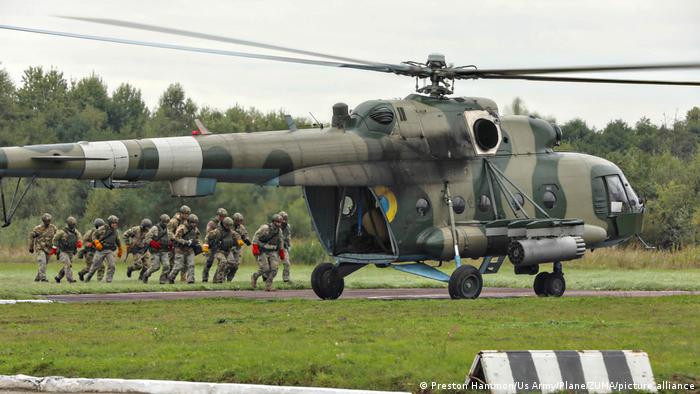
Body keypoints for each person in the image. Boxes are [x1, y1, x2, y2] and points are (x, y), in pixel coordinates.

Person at [84, 215, 123, 283]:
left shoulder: (115, 231)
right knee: (94, 266)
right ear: (110, 223)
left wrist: (120, 249)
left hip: (110, 251)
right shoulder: (103, 228)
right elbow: (94, 235)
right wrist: (96, 242)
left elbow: (118, 240)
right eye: (113, 223)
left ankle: (108, 280)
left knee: (112, 265)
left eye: (115, 223)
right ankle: (87, 279)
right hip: (100, 250)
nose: (114, 224)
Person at [251, 214, 284, 291]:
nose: (279, 224)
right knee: (264, 269)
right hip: (262, 250)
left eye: (280, 222)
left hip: (273, 251)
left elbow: (280, 241)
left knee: (274, 269)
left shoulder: (279, 231)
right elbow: (256, 237)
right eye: (277, 222)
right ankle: (254, 277)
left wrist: (281, 251)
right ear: (273, 221)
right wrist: (255, 248)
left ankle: (268, 285)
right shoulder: (265, 228)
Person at [208, 216, 243, 283]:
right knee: (223, 261)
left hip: (228, 251)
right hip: (218, 251)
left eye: (230, 225)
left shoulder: (232, 232)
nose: (228, 227)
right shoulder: (217, 231)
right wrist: (205, 247)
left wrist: (239, 241)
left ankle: (221, 276)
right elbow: (208, 237)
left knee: (232, 263)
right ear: (224, 224)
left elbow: (237, 236)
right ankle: (218, 279)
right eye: (227, 225)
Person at [168, 214, 201, 284]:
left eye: (195, 223)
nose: (194, 224)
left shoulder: (195, 229)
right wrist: (186, 242)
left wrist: (197, 244)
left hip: (190, 250)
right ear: (188, 221)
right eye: (192, 222)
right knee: (178, 266)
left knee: (191, 265)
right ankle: (171, 278)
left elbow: (197, 237)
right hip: (180, 250)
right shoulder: (182, 228)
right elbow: (176, 238)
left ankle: (190, 280)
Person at [143, 214, 174, 284]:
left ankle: (162, 280)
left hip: (164, 250)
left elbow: (172, 237)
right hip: (155, 251)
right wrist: (153, 243)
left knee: (167, 266)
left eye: (167, 222)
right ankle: (146, 274)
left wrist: (171, 243)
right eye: (164, 222)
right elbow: (147, 237)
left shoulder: (168, 229)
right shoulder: (154, 228)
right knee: (155, 267)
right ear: (160, 221)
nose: (165, 223)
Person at [28, 213, 57, 282]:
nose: (48, 222)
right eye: (46, 221)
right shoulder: (38, 228)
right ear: (43, 221)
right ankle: (43, 278)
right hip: (40, 248)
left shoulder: (53, 228)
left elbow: (56, 237)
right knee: (42, 262)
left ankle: (37, 278)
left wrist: (55, 248)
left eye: (49, 221)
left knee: (44, 264)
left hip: (49, 249)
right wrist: (31, 247)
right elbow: (31, 236)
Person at [52, 216, 82, 283]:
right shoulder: (62, 232)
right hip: (62, 251)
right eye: (72, 224)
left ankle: (58, 277)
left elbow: (79, 237)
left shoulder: (75, 231)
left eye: (74, 224)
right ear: (69, 224)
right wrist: (54, 248)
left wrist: (79, 242)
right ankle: (70, 279)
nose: (73, 225)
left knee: (67, 265)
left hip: (71, 251)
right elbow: (54, 239)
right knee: (68, 264)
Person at [202, 207, 228, 282]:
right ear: (218, 215)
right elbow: (208, 234)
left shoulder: (224, 224)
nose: (222, 218)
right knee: (209, 262)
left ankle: (218, 278)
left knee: (222, 262)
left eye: (224, 216)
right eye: (221, 216)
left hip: (219, 246)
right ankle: (204, 278)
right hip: (211, 245)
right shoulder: (212, 223)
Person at [168, 205, 192, 282]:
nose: (186, 215)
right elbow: (168, 232)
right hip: (173, 243)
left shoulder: (187, 221)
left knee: (185, 261)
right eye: (185, 214)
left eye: (188, 214)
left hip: (182, 243)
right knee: (172, 261)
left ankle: (183, 277)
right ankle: (168, 277)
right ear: (181, 213)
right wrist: (175, 238)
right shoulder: (174, 221)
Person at [226, 212, 251, 282]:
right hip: (229, 247)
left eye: (240, 221)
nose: (239, 222)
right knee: (230, 263)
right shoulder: (229, 226)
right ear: (233, 220)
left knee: (236, 265)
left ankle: (229, 279)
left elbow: (245, 235)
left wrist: (246, 239)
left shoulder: (242, 227)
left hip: (237, 248)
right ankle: (221, 276)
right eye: (237, 221)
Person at [278, 210, 292, 283]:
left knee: (287, 263)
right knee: (272, 265)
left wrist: (289, 245)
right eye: (283, 219)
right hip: (274, 248)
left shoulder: (287, 227)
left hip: (284, 247)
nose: (284, 221)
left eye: (286, 219)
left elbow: (288, 236)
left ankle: (286, 278)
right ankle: (266, 277)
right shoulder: (275, 226)